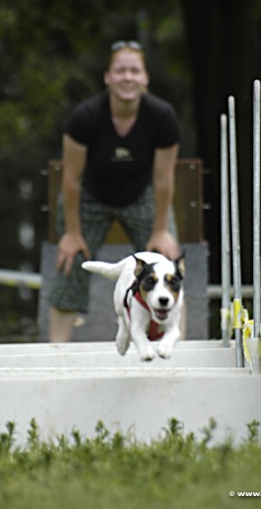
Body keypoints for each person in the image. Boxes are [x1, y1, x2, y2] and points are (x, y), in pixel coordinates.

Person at [49, 40, 183, 342]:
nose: (127, 77)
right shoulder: (84, 118)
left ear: (145, 78)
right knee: (71, 261)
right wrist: (71, 232)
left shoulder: (162, 117)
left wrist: (161, 229)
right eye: (120, 70)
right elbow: (70, 178)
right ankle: (56, 351)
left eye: (134, 71)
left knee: (165, 261)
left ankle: (177, 347)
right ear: (107, 77)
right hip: (89, 195)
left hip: (142, 193)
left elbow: (163, 178)